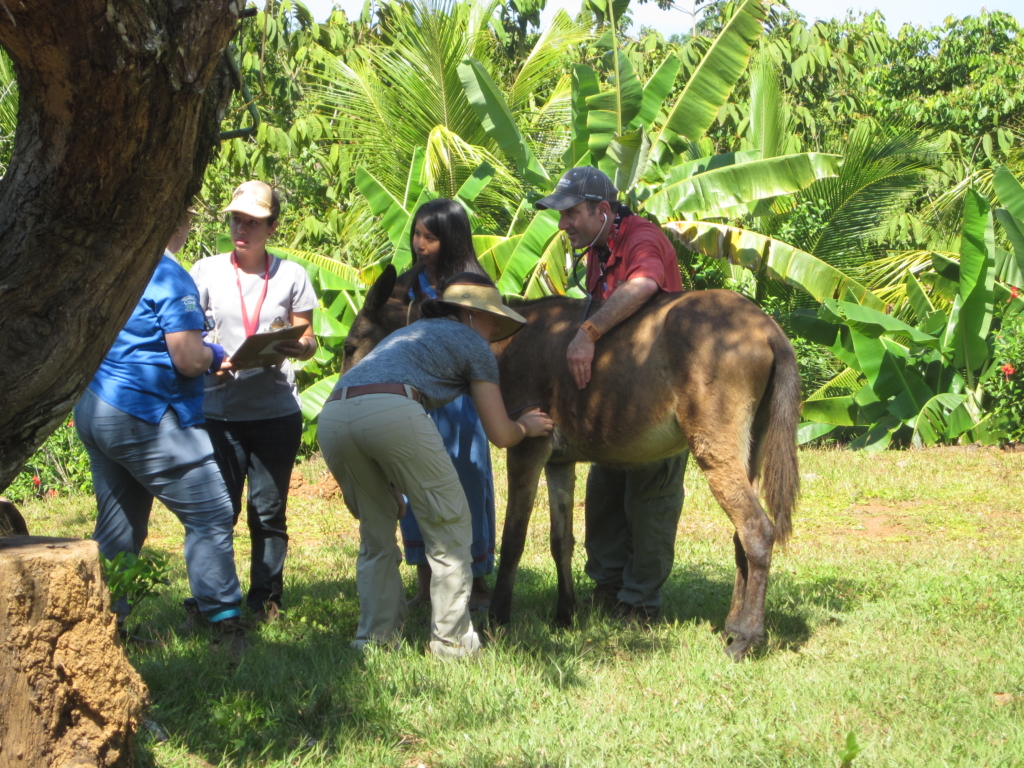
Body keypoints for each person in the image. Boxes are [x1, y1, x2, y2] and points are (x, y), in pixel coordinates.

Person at [318, 273, 553, 658]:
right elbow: (500, 434)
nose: (495, 329)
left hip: (335, 414)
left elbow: (368, 400)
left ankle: (374, 639)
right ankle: (451, 641)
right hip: (390, 409)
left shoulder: (410, 334)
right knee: (448, 523)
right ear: (472, 314)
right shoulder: (473, 344)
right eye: (492, 318)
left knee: (376, 535)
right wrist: (526, 426)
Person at [75, 209, 245, 653]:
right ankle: (225, 627)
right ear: (177, 222)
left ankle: (101, 633)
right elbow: (187, 358)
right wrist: (214, 354)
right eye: (188, 217)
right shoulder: (170, 276)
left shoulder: (115, 264)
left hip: (97, 406)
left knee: (118, 527)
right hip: (144, 413)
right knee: (210, 513)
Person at [535, 166, 686, 622]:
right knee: (603, 493)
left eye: (571, 214)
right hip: (615, 402)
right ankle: (608, 586)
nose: (564, 225)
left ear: (602, 210)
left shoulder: (640, 237)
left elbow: (642, 285)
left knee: (650, 497)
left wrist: (588, 331)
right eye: (561, 216)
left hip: (657, 395)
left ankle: (641, 602)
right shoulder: (598, 248)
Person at [189, 181, 319, 622]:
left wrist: (300, 348)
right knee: (216, 512)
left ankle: (266, 599)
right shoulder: (204, 271)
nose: (241, 228)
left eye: (253, 222)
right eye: (236, 219)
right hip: (218, 411)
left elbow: (307, 336)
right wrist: (210, 358)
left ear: (272, 227)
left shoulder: (292, 275)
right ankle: (211, 600)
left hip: (275, 412)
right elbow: (189, 333)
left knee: (268, 512)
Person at [395, 199, 495, 610]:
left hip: (462, 405)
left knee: (467, 486)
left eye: (430, 237)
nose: (420, 244)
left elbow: (487, 345)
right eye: (417, 234)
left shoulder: (475, 286)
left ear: (451, 239)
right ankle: (425, 585)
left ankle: (477, 585)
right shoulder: (406, 285)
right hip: (416, 402)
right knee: (418, 490)